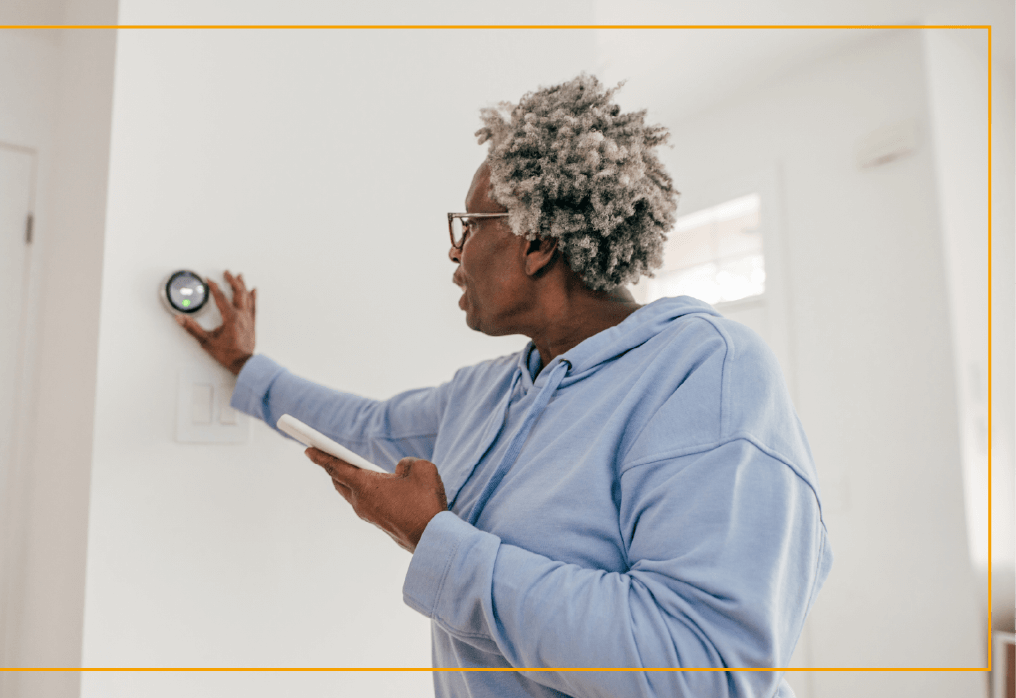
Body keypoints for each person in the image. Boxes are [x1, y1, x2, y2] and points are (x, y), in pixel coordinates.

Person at [173, 74, 832, 698]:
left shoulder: (705, 370)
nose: (455, 253)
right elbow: (368, 425)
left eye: (469, 226)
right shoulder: (491, 390)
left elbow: (700, 670)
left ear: (536, 240)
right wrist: (245, 365)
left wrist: (436, 540)